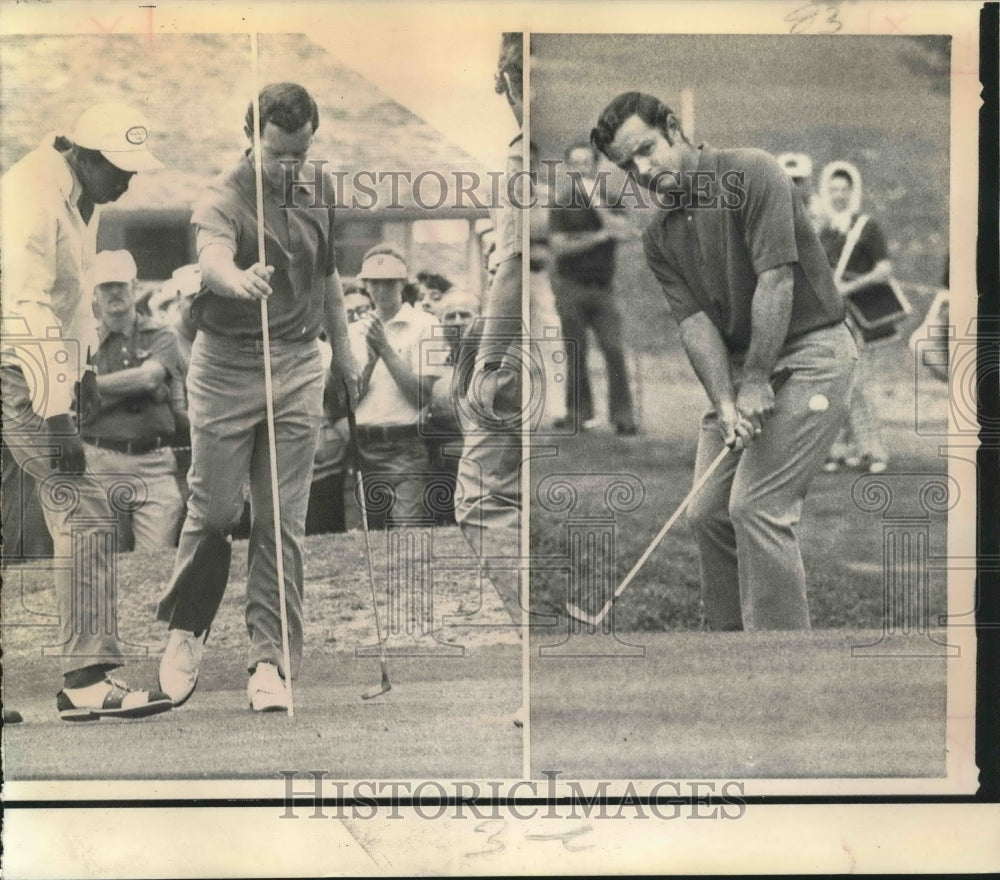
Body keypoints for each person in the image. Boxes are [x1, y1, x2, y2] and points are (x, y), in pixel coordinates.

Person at [591, 91, 857, 630]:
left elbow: (776, 280)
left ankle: (781, 670)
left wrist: (757, 380)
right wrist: (727, 400)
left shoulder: (751, 172)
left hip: (813, 354)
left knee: (757, 508)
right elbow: (695, 323)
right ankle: (728, 662)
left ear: (674, 128)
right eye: (627, 165)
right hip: (744, 367)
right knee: (708, 511)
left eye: (646, 150)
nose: (641, 170)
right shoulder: (659, 233)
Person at [156, 82, 360, 713]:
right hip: (225, 367)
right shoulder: (221, 196)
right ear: (252, 138)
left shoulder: (317, 189)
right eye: (277, 155)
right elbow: (213, 258)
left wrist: (344, 352)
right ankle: (188, 627)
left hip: (298, 362)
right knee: (214, 512)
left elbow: (326, 275)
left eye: (300, 154)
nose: (289, 168)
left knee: (280, 520)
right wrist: (238, 279)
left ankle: (269, 659)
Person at [0, 101, 173, 720]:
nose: (129, 181)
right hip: (15, 364)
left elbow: (70, 301)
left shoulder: (83, 198)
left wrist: (88, 371)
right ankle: (85, 680)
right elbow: (26, 308)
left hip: (30, 362)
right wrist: (56, 414)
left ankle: (82, 677)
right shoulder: (31, 192)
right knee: (87, 509)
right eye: (119, 167)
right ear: (81, 152)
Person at [454, 32, 526, 628]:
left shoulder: (527, 157)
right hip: (541, 343)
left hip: (519, 349)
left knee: (480, 502)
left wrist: (488, 365)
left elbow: (513, 273)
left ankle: (539, 627)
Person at [82, 249, 187, 551]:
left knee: (155, 559)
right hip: (101, 461)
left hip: (153, 463)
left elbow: (149, 378)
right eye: (106, 286)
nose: (115, 292)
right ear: (95, 293)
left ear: (136, 287)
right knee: (105, 563)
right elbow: (72, 398)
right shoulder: (83, 341)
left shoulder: (161, 334)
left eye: (121, 284)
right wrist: (138, 386)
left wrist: (92, 387)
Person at [348, 244, 444, 528]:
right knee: (370, 541)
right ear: (365, 285)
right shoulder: (355, 329)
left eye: (388, 282)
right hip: (364, 444)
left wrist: (385, 351)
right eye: (374, 282)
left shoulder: (425, 325)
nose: (381, 290)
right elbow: (348, 400)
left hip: (406, 445)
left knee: (407, 536)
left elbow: (420, 396)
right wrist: (371, 360)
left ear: (402, 282)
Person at [548, 141, 638, 435]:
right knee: (576, 352)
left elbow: (625, 233)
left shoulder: (610, 199)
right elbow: (559, 248)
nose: (582, 168)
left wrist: (599, 208)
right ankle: (578, 414)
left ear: (595, 166)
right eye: (575, 163)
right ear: (569, 168)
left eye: (587, 162)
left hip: (603, 287)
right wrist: (599, 237)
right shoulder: (561, 203)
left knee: (613, 349)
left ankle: (622, 416)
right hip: (570, 287)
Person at [817, 161, 893, 474]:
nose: (838, 195)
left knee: (861, 385)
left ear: (852, 192)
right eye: (833, 190)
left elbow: (884, 269)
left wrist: (849, 286)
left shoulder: (867, 226)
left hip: (864, 316)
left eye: (843, 190)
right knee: (836, 383)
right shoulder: (822, 231)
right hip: (833, 318)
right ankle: (838, 449)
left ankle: (873, 451)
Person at [776, 152, 824, 232]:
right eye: (785, 180)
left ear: (807, 182)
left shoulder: (819, 210)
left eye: (796, 180)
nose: (791, 185)